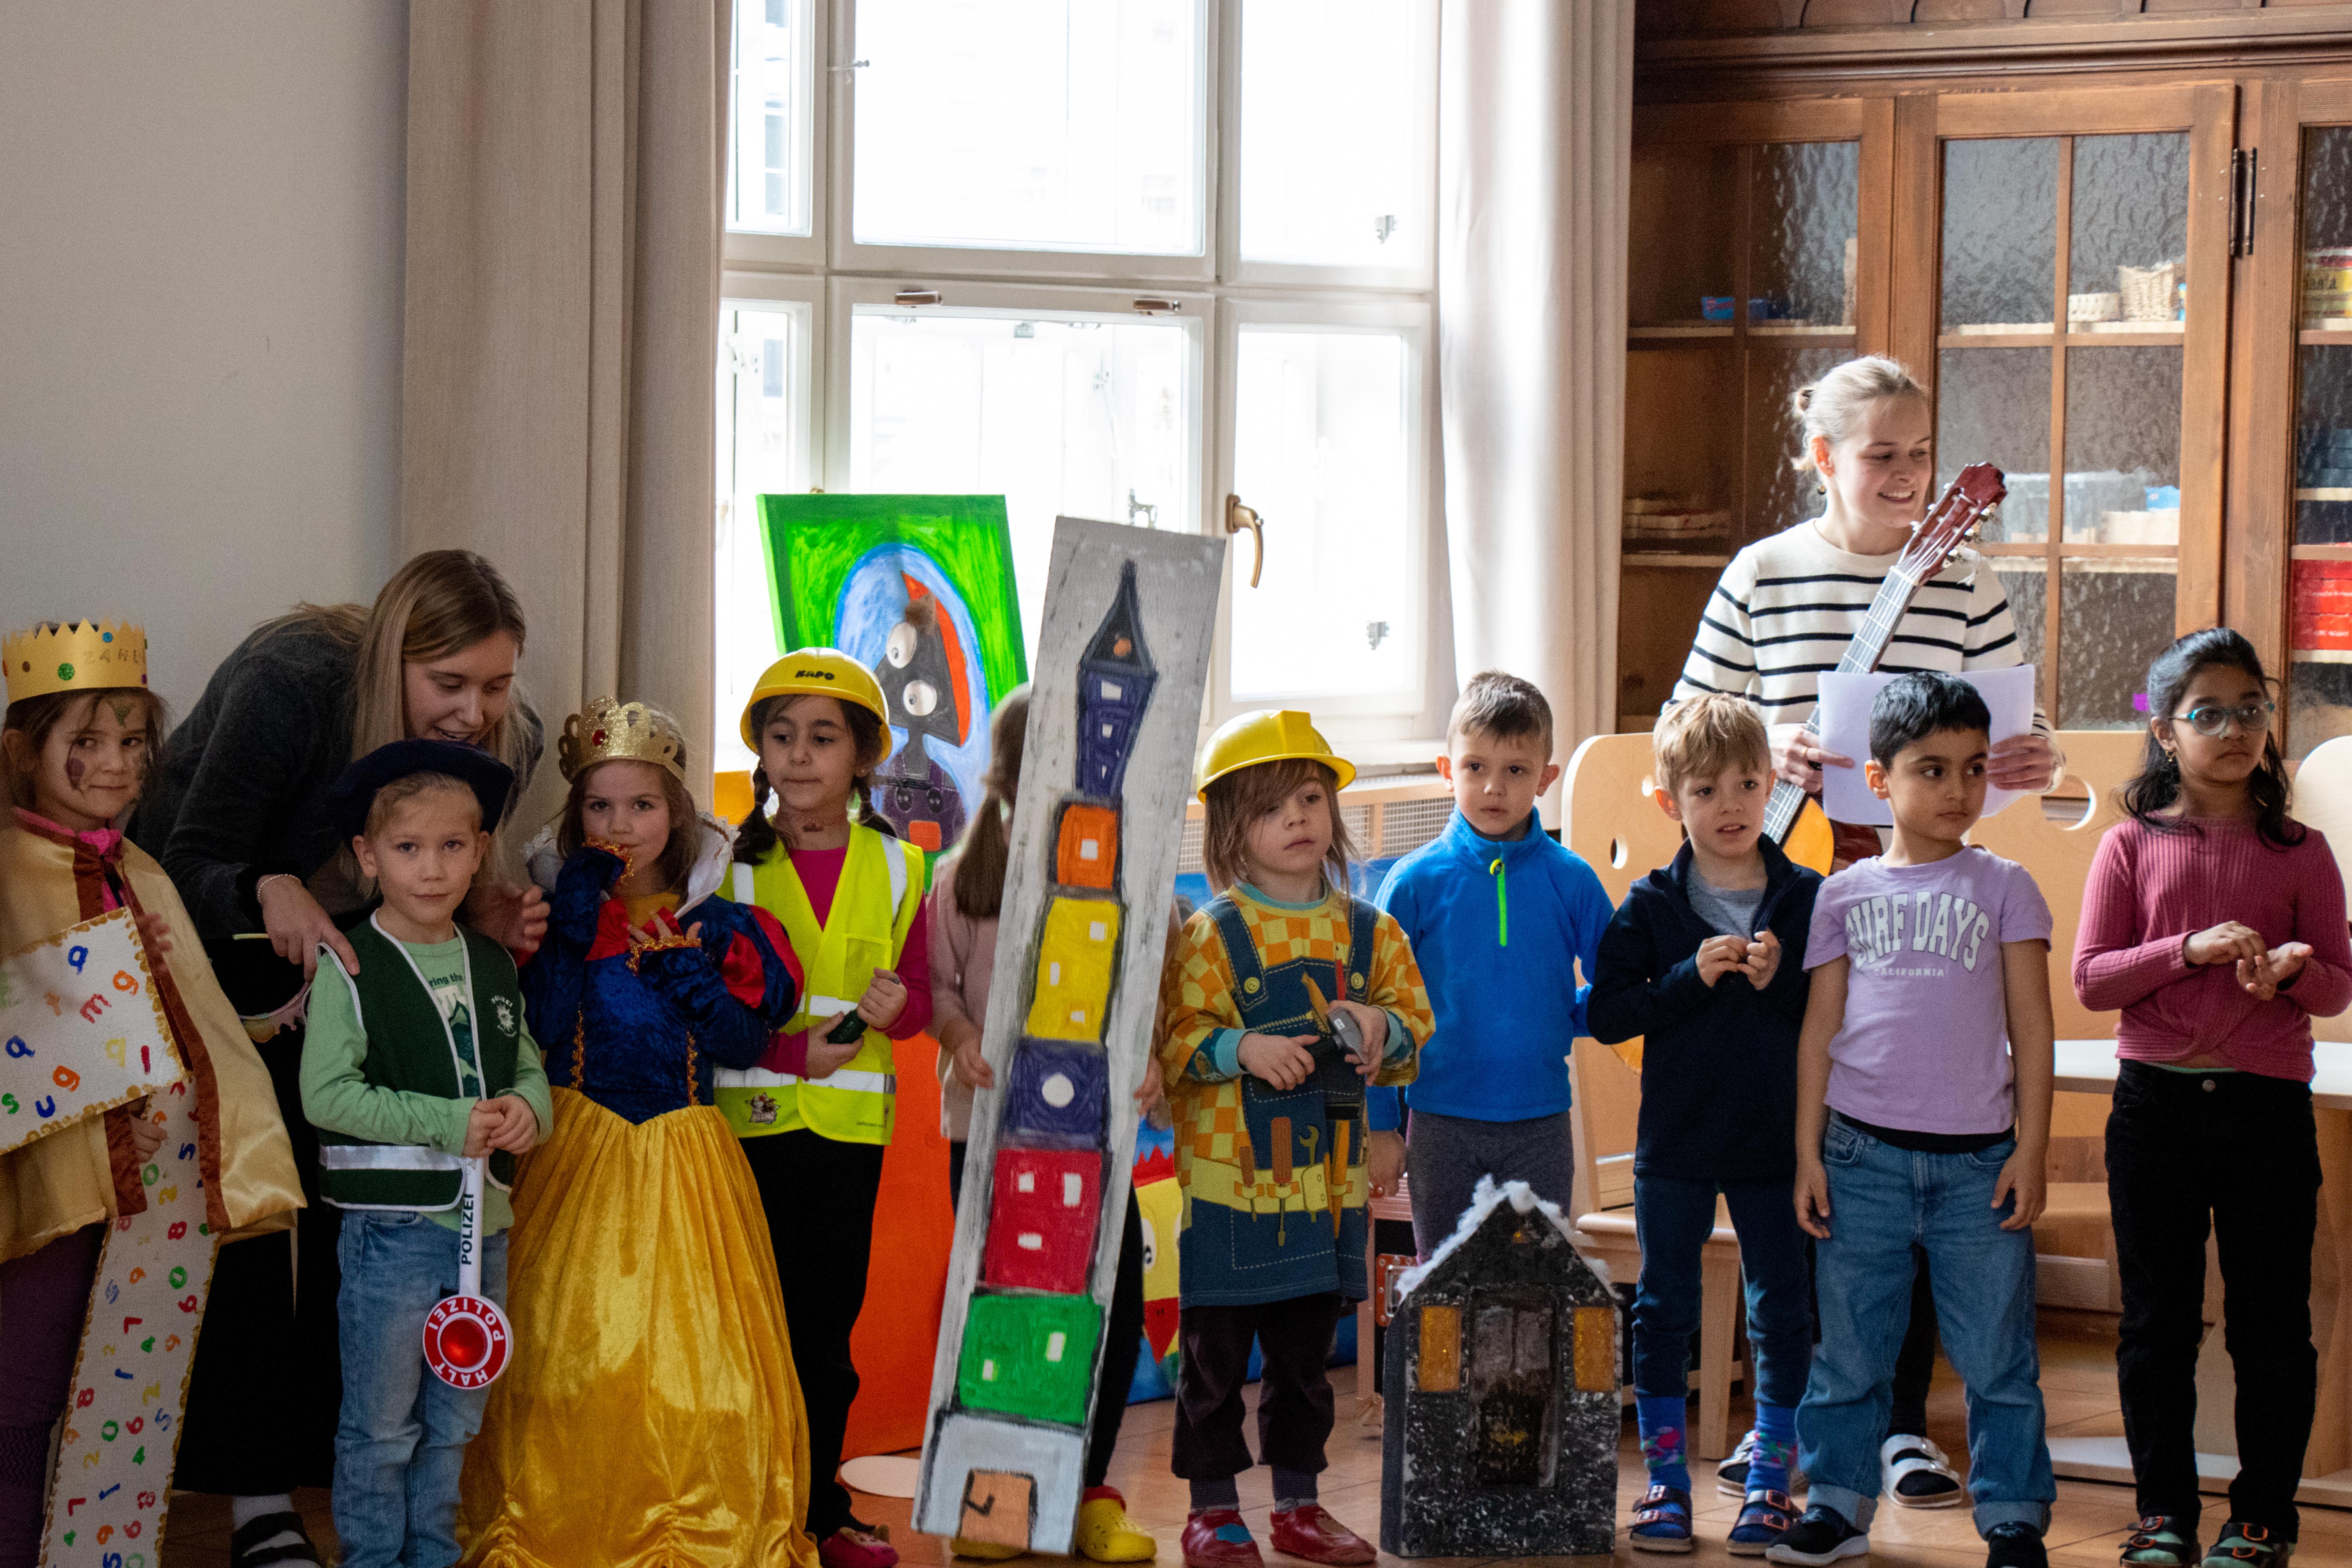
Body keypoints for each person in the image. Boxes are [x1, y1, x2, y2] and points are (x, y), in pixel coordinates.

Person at [1673, 355, 2065, 1505]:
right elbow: (1693, 719)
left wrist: (2027, 754)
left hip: (1928, 905)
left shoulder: (1965, 578)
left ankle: (1902, 1425)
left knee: (1909, 1131)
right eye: (1880, 454)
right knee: (1798, 1144)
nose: (1903, 475)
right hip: (1788, 888)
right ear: (1825, 459)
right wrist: (1775, 739)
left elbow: (2006, 732)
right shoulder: (1764, 571)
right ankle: (1786, 1411)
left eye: (1918, 453)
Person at [131, 550, 547, 1566]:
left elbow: (426, 874)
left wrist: (474, 905)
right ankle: (256, 1502)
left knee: (358, 1233)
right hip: (206, 942)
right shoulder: (293, 682)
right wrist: (265, 888)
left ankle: (351, 1469)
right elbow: (184, 857)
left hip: (352, 962)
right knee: (264, 1220)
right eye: (448, 685)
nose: (474, 711)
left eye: (493, 684)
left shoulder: (511, 740)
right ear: (392, 660)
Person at [459, 699, 818, 1568]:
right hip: (576, 1147)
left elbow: (741, 1043)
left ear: (678, 815)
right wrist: (573, 924)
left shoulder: (720, 925)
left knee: (703, 1359)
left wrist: (694, 977)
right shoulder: (556, 917)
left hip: (688, 1156)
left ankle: (690, 1516)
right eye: (601, 807)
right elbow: (537, 1034)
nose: (622, 825)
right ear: (577, 818)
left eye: (643, 806)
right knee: (561, 1346)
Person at [0, 621, 302, 1568]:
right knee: (21, 1389)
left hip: (150, 1195)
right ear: (24, 750)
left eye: (133, 741)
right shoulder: (10, 865)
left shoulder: (142, 868)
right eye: (84, 742)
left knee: (118, 1392)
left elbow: (183, 1014)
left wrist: (254, 1025)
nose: (114, 763)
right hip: (53, 1186)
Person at [2072, 630, 2350, 1568]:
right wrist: (2184, 950)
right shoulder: (2128, 844)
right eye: (2209, 713)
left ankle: (2262, 1517)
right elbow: (2093, 980)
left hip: (2267, 1109)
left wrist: (2292, 971)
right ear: (2165, 730)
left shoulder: (2302, 850)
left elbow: (2338, 984)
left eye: (2251, 710)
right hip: (2153, 1109)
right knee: (2157, 1320)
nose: (2235, 729)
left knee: (2272, 1320)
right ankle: (2163, 1514)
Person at [1773, 673, 2057, 1568]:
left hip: (1981, 1165)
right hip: (1862, 1156)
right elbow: (1819, 1029)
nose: (1957, 791)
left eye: (1973, 769)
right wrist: (1807, 1153)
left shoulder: (2006, 885)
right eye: (1931, 770)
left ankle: (2012, 1516)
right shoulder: (1843, 894)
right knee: (1850, 1348)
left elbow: (2032, 1029)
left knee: (1999, 1355)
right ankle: (1838, 1505)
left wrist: (2034, 1150)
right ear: (1879, 778)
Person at [1159, 710, 1432, 1568]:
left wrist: (1379, 1025)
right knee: (1214, 1362)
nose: (1299, 819)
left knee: (1305, 1363)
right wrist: (1243, 1046)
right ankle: (1212, 1509)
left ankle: (1298, 1504)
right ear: (1233, 830)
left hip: (1326, 1194)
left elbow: (1417, 1034)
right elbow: (1173, 1042)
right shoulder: (1211, 934)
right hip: (1227, 1193)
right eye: (1273, 807)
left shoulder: (1371, 931)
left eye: (1311, 797)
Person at [300, 741, 552, 1568]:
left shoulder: (489, 962)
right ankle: (375, 1557)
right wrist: (448, 1122)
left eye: (453, 846)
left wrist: (526, 1110)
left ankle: (433, 1551)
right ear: (369, 856)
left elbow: (524, 1063)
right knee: (381, 1422)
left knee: (455, 1417)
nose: (433, 868)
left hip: (488, 1233)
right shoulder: (351, 963)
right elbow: (327, 1096)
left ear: (481, 850)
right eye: (409, 848)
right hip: (393, 1233)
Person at [931, 685, 1160, 1564]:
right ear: (1012, 781)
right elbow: (942, 987)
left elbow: (1153, 985)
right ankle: (995, 1499)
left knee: (1111, 1314)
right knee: (1003, 1314)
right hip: (988, 1139)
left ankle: (1087, 1492)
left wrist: (1146, 1060)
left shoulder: (1130, 884)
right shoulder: (965, 883)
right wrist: (957, 1036)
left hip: (1093, 1143)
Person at [1588, 693, 1821, 1558]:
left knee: (1782, 1306)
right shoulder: (1650, 907)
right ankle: (1665, 1483)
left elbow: (1835, 1015)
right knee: (1663, 1307)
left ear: (1772, 788)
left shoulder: (1805, 898)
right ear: (1669, 800)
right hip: (1677, 1147)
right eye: (1706, 788)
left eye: (1748, 784)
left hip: (1775, 1145)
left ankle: (1770, 1483)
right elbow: (1608, 1014)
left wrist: (1781, 983)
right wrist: (1687, 976)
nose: (1730, 804)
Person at [717, 650, 932, 1568]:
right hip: (747, 1128)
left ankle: (818, 1512)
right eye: (782, 736)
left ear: (863, 755)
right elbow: (705, 1010)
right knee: (747, 1323)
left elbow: (920, 1000)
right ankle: (746, 1504)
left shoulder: (900, 866)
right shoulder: (723, 867)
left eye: (823, 736)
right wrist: (784, 1050)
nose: (800, 755)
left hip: (848, 1135)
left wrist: (900, 1010)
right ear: (760, 754)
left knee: (825, 1326)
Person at [1365, 670, 1612, 1252]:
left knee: (1534, 1293)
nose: (1493, 788)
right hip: (1438, 1124)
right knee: (1445, 1293)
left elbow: (1618, 985)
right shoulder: (1413, 883)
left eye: (1516, 771)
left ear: (1546, 779)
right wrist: (1379, 1125)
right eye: (1476, 767)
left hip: (1542, 1125)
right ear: (1447, 771)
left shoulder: (1571, 880)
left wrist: (1565, 1015)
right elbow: (1374, 1011)